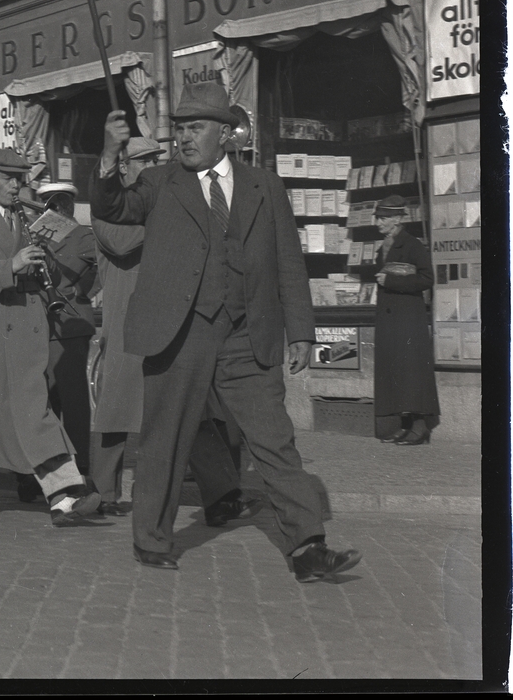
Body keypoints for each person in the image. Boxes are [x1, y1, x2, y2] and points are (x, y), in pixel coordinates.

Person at [90, 84, 361, 582]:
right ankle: (151, 540)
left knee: (274, 440)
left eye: (196, 128)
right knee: (165, 440)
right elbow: (112, 208)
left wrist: (301, 330)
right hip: (180, 332)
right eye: (180, 129)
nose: (184, 138)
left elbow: (287, 263)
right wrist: (109, 155)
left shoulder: (264, 186)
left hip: (246, 333)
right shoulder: (158, 181)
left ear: (225, 133)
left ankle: (307, 546)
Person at [90, 136, 258, 526]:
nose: (150, 165)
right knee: (114, 416)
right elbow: (119, 241)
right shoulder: (109, 210)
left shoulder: (163, 201)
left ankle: (223, 496)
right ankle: (103, 493)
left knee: (191, 410)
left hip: (169, 321)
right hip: (127, 325)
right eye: (141, 160)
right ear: (124, 167)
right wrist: (167, 217)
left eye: (154, 158)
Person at [0, 148, 101, 527]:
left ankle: (65, 494)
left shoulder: (27, 218)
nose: (17, 185)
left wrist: (41, 262)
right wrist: (11, 266)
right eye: (8, 178)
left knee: (36, 412)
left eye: (20, 178)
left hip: (25, 328)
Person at [13, 180, 97, 504]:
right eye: (46, 203)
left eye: (56, 203)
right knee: (41, 401)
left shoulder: (81, 234)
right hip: (37, 323)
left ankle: (79, 470)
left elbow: (99, 265)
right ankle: (35, 474)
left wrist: (82, 290)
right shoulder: (29, 234)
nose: (52, 209)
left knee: (73, 402)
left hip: (71, 324)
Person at [372, 195, 439, 445]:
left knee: (411, 371)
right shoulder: (386, 244)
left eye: (384, 218)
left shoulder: (412, 245)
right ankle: (405, 424)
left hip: (408, 319)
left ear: (399, 219)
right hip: (392, 319)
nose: (379, 222)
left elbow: (426, 279)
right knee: (397, 370)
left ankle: (420, 427)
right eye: (378, 217)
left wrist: (392, 282)